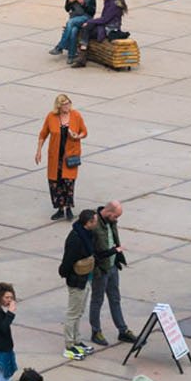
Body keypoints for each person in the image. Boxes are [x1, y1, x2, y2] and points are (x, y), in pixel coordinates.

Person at [84, 201, 135, 349]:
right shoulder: (94, 223)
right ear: (108, 212)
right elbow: (93, 249)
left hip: (112, 266)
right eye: (116, 216)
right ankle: (96, 331)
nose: (117, 220)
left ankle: (122, 329)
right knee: (97, 300)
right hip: (100, 269)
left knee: (115, 298)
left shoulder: (110, 222)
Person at [35, 94, 86, 222]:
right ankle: (60, 209)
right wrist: (39, 151)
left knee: (68, 182)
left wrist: (77, 136)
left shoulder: (76, 115)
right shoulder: (51, 117)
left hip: (70, 155)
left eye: (68, 103)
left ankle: (68, 208)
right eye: (64, 104)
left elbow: (84, 132)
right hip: (56, 156)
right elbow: (43, 134)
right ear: (59, 105)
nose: (67, 106)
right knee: (55, 182)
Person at [60, 208, 99, 360]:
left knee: (80, 311)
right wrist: (65, 273)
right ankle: (69, 345)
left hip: (86, 278)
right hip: (77, 280)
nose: (96, 223)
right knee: (73, 313)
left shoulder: (87, 233)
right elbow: (67, 262)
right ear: (88, 222)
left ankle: (77, 340)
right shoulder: (75, 239)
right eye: (94, 221)